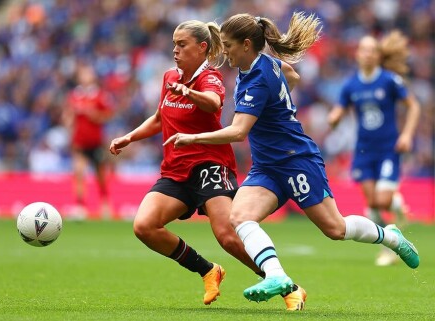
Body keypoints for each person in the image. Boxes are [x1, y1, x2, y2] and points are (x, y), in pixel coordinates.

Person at [164, 13, 420, 304]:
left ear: (246, 44)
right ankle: (276, 275)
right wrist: (277, 106)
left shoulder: (256, 80)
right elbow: (292, 75)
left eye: (228, 45)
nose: (225, 52)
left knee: (335, 229)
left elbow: (238, 132)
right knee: (240, 216)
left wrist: (192, 138)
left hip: (296, 161)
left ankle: (392, 237)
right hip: (267, 167)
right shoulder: (266, 64)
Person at [109, 20, 306, 309]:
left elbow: (213, 103)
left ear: (202, 48)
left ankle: (288, 286)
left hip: (210, 165)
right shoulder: (169, 78)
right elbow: (159, 118)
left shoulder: (209, 78)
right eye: (174, 43)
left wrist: (189, 93)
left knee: (227, 235)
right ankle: (208, 270)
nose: (175, 49)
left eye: (182, 44)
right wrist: (129, 136)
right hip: (176, 169)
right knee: (144, 226)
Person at [327, 31, 421, 266]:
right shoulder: (351, 85)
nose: (367, 54)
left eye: (372, 50)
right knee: (372, 205)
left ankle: (397, 205)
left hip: (389, 148)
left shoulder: (389, 80)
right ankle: (390, 247)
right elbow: (339, 109)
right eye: (363, 50)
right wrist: (334, 118)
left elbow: (413, 106)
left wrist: (407, 134)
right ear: (358, 55)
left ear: (378, 56)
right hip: (364, 152)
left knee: (381, 200)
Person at [64, 63, 115, 219]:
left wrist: (93, 114)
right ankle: (80, 206)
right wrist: (68, 122)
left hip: (96, 142)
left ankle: (105, 204)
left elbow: (108, 115)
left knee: (100, 175)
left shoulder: (99, 95)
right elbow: (68, 114)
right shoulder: (75, 95)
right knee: (78, 172)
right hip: (80, 142)